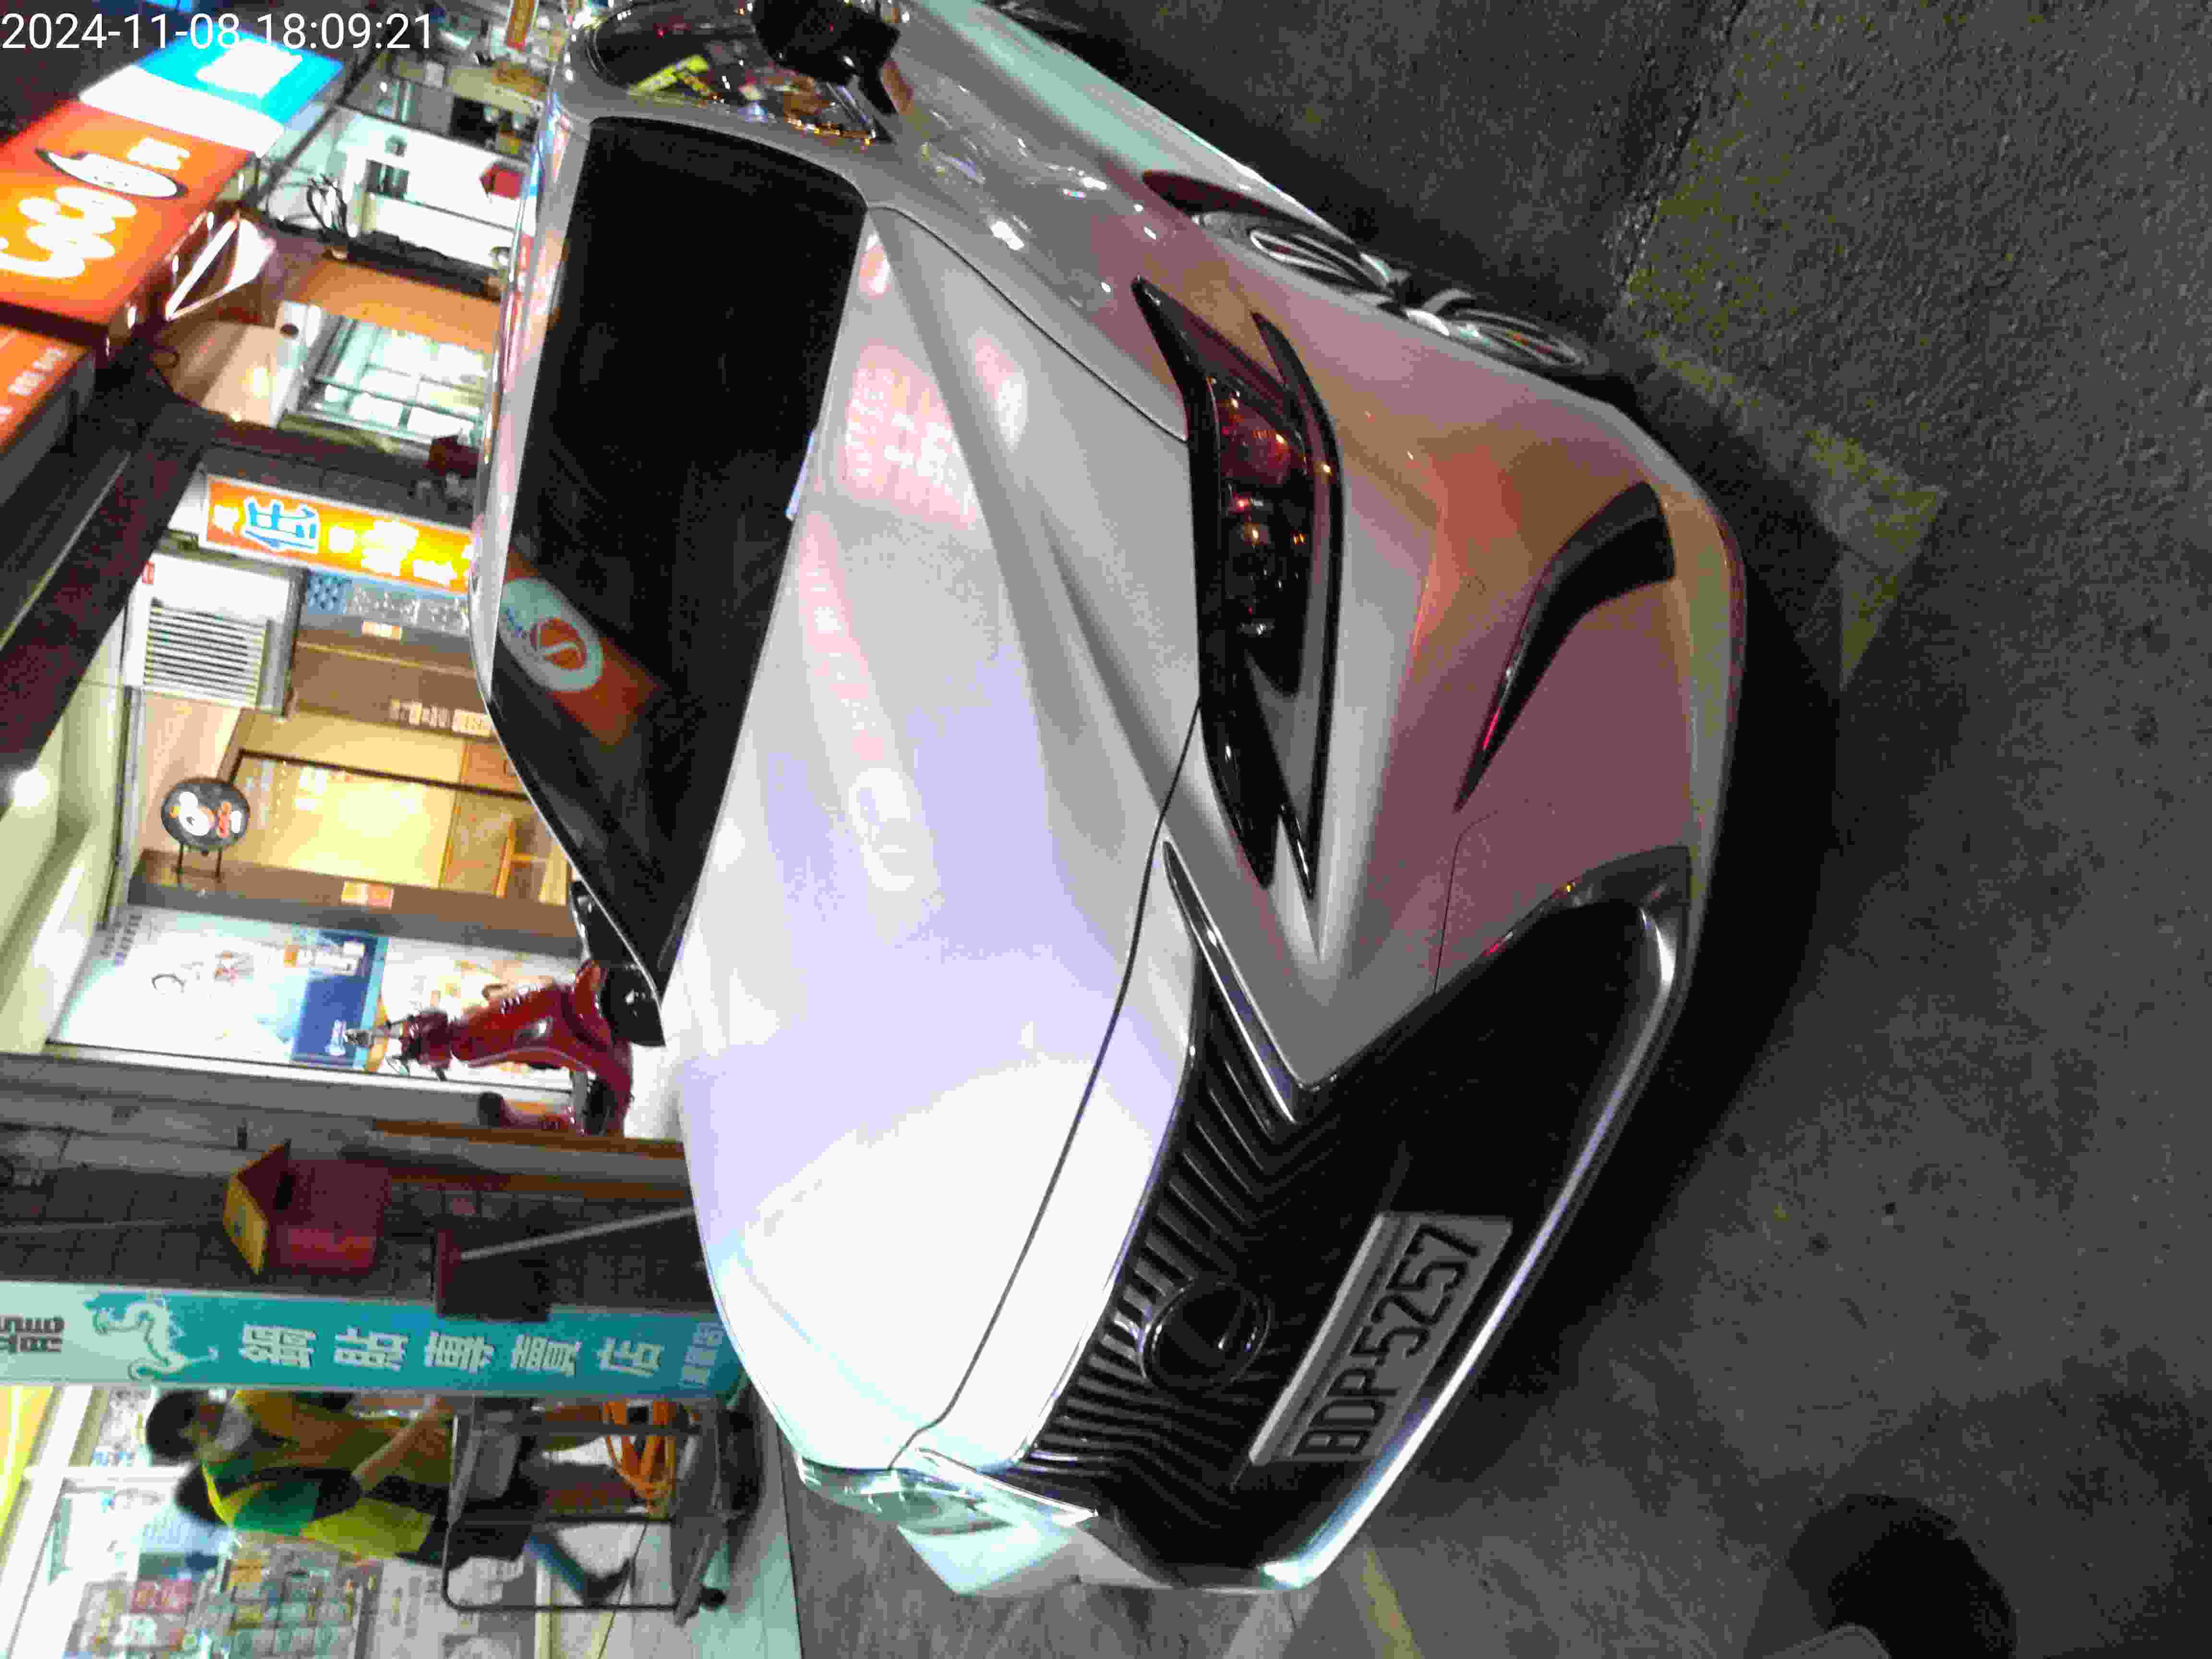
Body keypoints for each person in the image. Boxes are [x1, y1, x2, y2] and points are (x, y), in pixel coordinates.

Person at [146, 1389, 637, 1604]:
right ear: (197, 1456)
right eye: (208, 1428)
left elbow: (346, 1394)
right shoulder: (239, 1502)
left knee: (523, 1434)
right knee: (533, 1506)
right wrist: (418, 1426)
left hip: (425, 1449)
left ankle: (638, 1425)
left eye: (211, 1407)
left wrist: (418, 1405)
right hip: (411, 1519)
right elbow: (346, 1492)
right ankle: (636, 1487)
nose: (222, 1417)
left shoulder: (254, 1400)